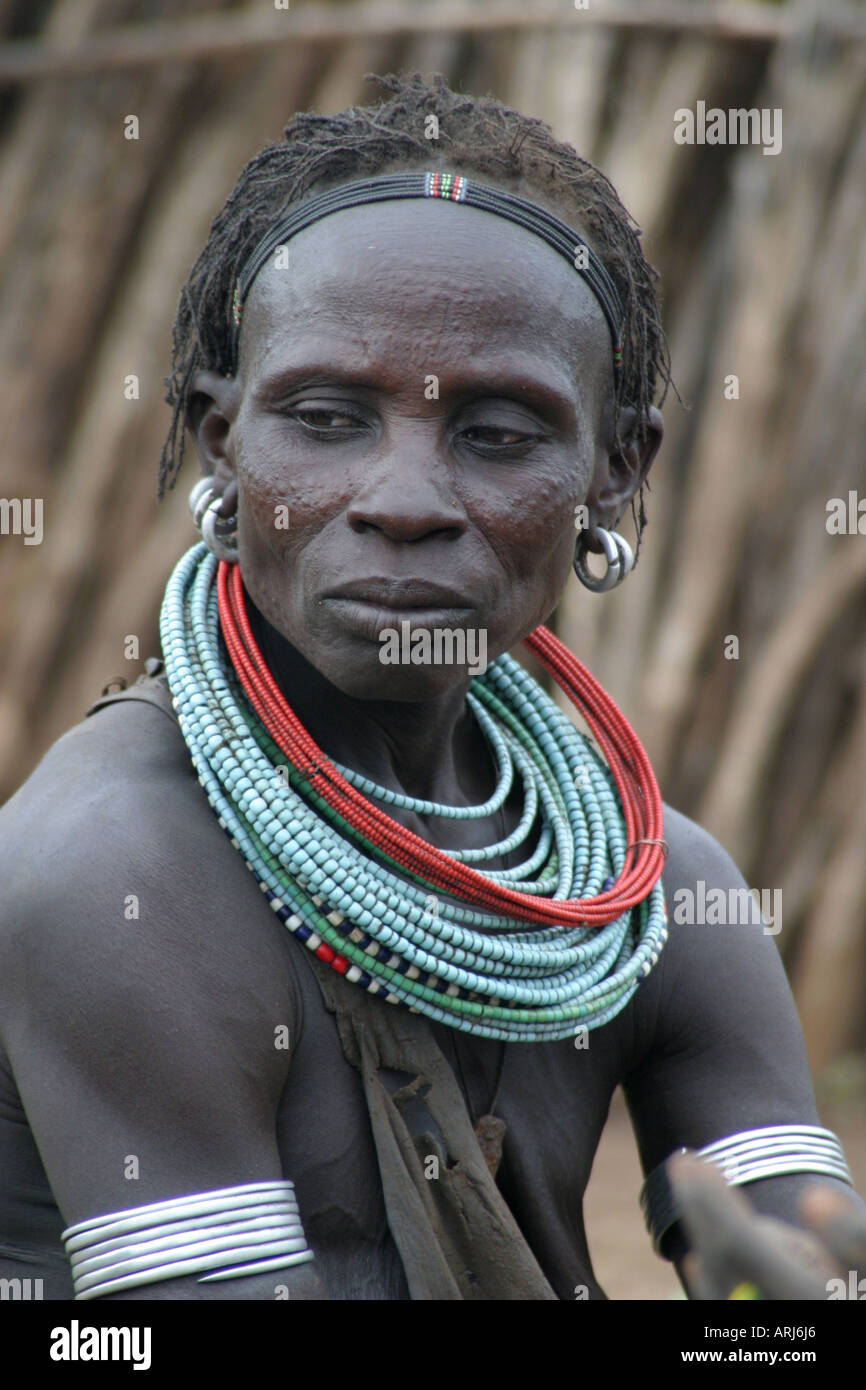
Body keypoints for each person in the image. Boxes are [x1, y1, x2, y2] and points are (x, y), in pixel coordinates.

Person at [0, 71, 860, 1302]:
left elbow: (800, 1284)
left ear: (613, 475)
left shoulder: (642, 891)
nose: (403, 501)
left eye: (497, 433)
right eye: (328, 415)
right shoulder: (119, 869)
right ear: (221, 441)